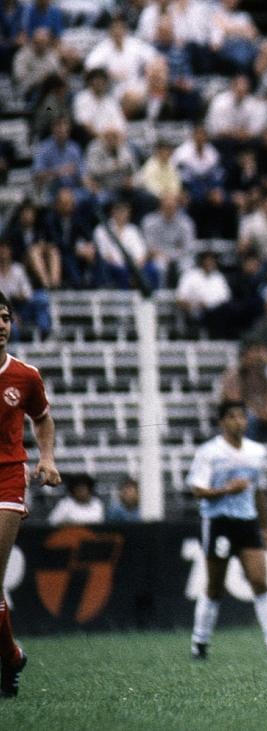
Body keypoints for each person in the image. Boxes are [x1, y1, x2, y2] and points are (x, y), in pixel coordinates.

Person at [187, 400, 267, 661]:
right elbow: (198, 490)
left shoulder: (256, 452)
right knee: (215, 586)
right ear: (222, 421)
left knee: (259, 581)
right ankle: (200, 642)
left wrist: (264, 527)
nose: (239, 421)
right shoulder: (209, 452)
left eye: (242, 417)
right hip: (218, 521)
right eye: (233, 416)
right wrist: (226, 490)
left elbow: (258, 492)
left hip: (246, 521)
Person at [0, 289, 62, 698]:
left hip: (6, 477)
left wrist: (47, 458)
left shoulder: (25, 375)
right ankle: (11, 656)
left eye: (4, 317)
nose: (0, 326)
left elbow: (42, 418)